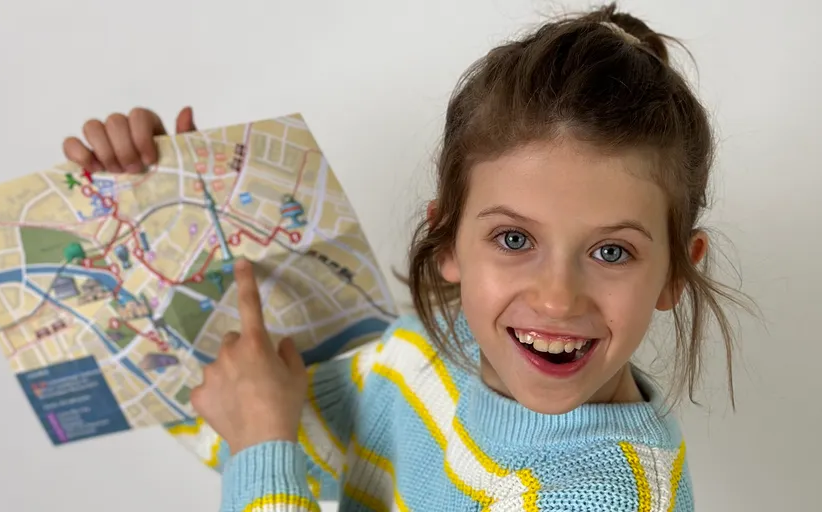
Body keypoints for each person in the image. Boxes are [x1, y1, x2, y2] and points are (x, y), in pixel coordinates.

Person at [63, 3, 750, 510]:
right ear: (448, 240)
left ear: (675, 273)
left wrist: (261, 448)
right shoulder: (425, 354)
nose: (556, 297)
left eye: (611, 251)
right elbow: (241, 407)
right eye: (514, 239)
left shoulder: (608, 498)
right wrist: (158, 206)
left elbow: (261, 445)